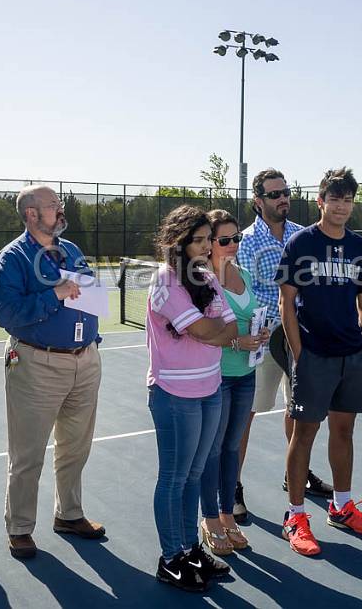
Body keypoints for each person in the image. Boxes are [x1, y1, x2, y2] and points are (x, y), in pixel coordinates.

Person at [0, 185, 105, 560]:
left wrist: (90, 337)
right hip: (37, 364)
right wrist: (55, 294)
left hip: (84, 361)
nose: (60, 209)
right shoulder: (13, 258)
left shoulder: (70, 249)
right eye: (53, 205)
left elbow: (87, 293)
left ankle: (69, 514)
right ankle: (20, 527)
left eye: (59, 204)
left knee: (76, 447)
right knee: (28, 454)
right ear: (31, 215)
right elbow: (6, 314)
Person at [276, 167, 362, 557]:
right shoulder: (301, 243)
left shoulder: (358, 246)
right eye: (334, 198)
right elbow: (286, 303)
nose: (342, 205)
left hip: (352, 355)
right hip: (314, 356)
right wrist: (300, 354)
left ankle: (341, 507)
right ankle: (296, 514)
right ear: (320, 201)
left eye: (348, 199)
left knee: (344, 432)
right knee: (303, 434)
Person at [145, 205, 238, 591]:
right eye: (196, 240)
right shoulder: (166, 281)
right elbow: (205, 330)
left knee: (195, 475)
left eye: (206, 239)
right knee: (174, 477)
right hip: (174, 394)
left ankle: (189, 548)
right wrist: (213, 330)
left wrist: (213, 331)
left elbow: (228, 325)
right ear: (176, 242)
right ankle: (170, 559)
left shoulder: (204, 276)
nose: (204, 246)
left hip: (209, 388)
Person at [235, 168, 331, 524]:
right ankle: (232, 486)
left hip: (302, 337)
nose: (283, 199)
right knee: (246, 414)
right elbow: (244, 292)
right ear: (258, 201)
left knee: (300, 411)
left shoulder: (302, 236)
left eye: (285, 192)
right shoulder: (245, 242)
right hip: (263, 338)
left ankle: (297, 474)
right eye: (274, 194)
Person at [199, 209, 269, 556]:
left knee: (230, 449)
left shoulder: (244, 274)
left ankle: (228, 517)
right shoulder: (200, 279)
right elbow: (200, 332)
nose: (232, 245)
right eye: (224, 240)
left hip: (247, 374)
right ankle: (209, 520)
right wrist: (235, 342)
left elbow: (249, 316)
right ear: (208, 243)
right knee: (212, 451)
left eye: (236, 238)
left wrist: (260, 332)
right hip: (217, 375)